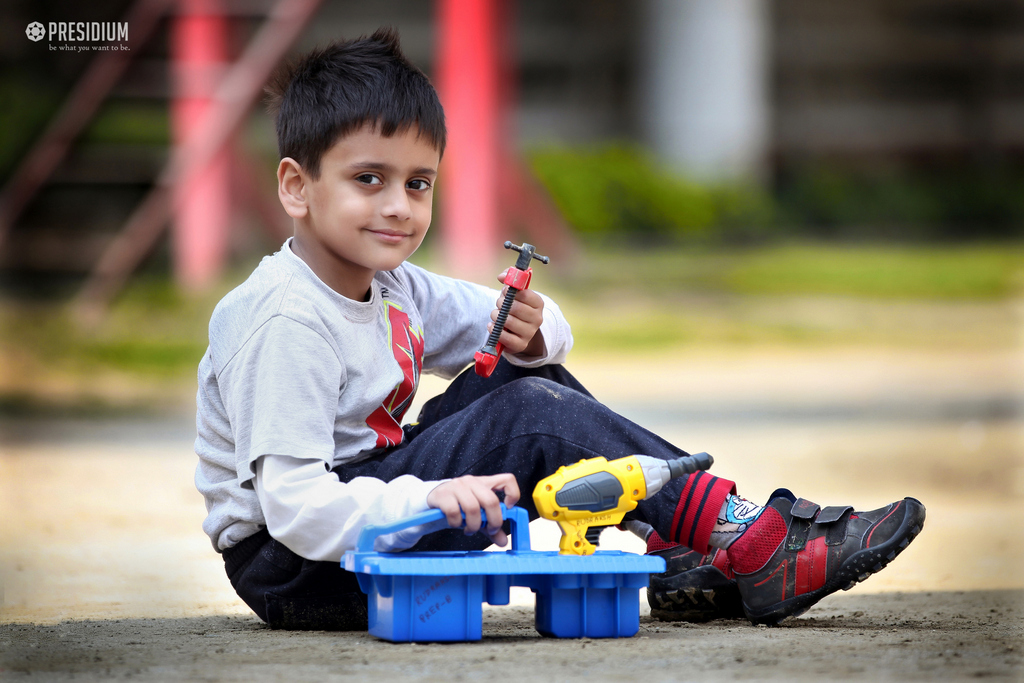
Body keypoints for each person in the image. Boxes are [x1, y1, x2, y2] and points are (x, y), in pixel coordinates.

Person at [194, 27, 925, 632]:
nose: (398, 207)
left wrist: (537, 332)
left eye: (418, 183)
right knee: (526, 416)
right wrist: (425, 500)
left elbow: (528, 341)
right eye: (368, 179)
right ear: (296, 186)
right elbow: (293, 508)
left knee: (525, 379)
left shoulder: (396, 286)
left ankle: (679, 547)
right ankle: (752, 539)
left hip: (366, 511)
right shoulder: (285, 318)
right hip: (296, 563)